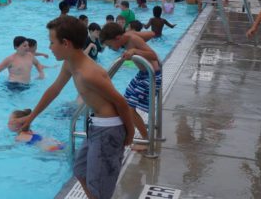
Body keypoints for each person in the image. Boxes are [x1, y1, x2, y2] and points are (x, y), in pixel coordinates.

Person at [14, 16, 134, 199]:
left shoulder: (89, 73)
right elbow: (54, 90)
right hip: (95, 126)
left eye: (52, 42)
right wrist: (31, 118)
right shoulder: (70, 63)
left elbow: (121, 103)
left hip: (108, 130)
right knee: (80, 170)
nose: (49, 47)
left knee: (99, 186)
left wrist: (130, 134)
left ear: (66, 43)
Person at [100, 22, 161, 152]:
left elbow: (154, 55)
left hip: (152, 76)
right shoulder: (127, 36)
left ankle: (146, 140)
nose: (111, 48)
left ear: (117, 38)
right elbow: (149, 34)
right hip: (142, 74)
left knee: (129, 108)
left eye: (110, 45)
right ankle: (129, 131)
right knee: (123, 102)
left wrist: (135, 51)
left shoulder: (133, 39)